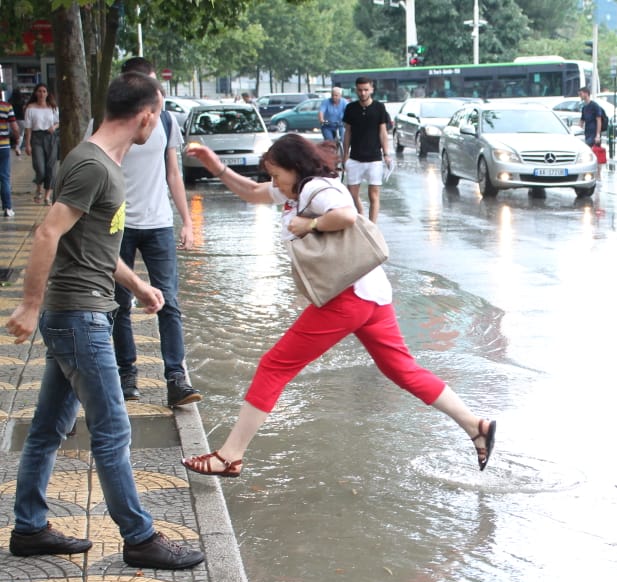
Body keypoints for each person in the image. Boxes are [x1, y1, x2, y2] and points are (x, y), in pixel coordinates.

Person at [180, 134, 496, 478]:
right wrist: (216, 167)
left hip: (347, 296)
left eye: (276, 176)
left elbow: (346, 215)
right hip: (371, 292)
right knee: (402, 370)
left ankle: (230, 456)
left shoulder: (316, 189)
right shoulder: (296, 191)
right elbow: (252, 192)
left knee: (274, 366)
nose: (273, 184)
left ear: (294, 167)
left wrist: (311, 224)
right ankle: (476, 426)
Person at [4, 72, 205, 569]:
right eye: (157, 114)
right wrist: (30, 305)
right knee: (113, 430)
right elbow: (49, 233)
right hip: (80, 317)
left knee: (50, 426)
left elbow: (89, 244)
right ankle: (140, 538)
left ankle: (29, 527)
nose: (156, 123)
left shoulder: (101, 163)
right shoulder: (93, 165)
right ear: (146, 115)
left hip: (82, 311)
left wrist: (137, 286)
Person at [112, 57, 201, 408]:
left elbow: (174, 173)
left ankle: (176, 379)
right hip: (118, 226)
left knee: (170, 303)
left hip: (159, 224)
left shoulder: (164, 120)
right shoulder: (110, 121)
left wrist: (188, 221)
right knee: (119, 304)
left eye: (153, 86)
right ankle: (126, 375)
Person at [341, 77, 392, 223]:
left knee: (374, 195)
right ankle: (361, 215)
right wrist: (345, 155)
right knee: (352, 194)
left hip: (374, 158)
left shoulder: (379, 108)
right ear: (356, 90)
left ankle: (372, 226)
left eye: (366, 90)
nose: (363, 93)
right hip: (355, 157)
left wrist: (386, 154)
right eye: (360, 90)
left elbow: (383, 132)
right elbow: (348, 132)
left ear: (371, 90)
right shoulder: (350, 108)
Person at [24, 83, 59, 205]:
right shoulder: (30, 108)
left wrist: (54, 127)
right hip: (36, 138)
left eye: (44, 91)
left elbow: (58, 122)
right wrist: (27, 144)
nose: (42, 94)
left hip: (50, 138)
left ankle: (47, 196)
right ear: (35, 93)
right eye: (39, 91)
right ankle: (38, 187)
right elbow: (27, 128)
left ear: (47, 93)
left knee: (51, 167)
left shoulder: (52, 107)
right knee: (40, 167)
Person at [0, 92, 19, 218]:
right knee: (4, 177)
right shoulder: (6, 106)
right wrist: (17, 141)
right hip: (3, 146)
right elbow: (15, 127)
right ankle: (8, 208)